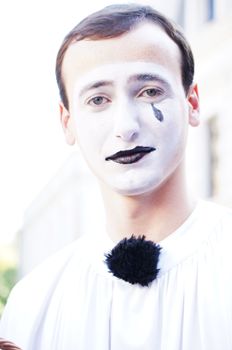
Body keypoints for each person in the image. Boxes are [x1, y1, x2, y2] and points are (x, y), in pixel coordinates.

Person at [0, 3, 232, 349]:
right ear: (68, 123)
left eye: (150, 91)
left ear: (192, 104)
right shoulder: (33, 305)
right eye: (98, 99)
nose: (126, 128)